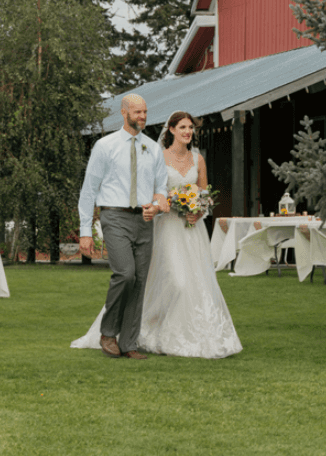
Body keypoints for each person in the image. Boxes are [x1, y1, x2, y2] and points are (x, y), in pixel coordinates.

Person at [72, 109, 242, 359]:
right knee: (174, 281)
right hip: (165, 228)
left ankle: (180, 334)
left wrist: (198, 210)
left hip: (191, 232)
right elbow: (150, 192)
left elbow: (205, 195)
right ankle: (147, 331)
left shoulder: (199, 160)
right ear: (171, 130)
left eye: (190, 128)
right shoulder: (157, 156)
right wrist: (168, 204)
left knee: (196, 283)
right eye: (182, 127)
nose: (187, 132)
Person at [75, 93, 168, 360]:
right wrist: (85, 231)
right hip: (114, 217)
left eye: (145, 112)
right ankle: (108, 332)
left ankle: (129, 343)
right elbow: (89, 189)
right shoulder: (105, 146)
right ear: (123, 112)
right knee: (125, 274)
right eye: (137, 112)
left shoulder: (153, 148)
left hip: (144, 219)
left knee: (139, 282)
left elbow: (161, 188)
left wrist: (155, 205)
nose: (142, 116)